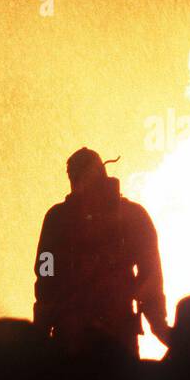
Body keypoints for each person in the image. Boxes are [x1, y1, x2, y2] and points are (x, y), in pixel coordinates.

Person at [33, 148, 169, 358]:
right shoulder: (57, 219)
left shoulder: (130, 217)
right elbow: (45, 272)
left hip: (100, 336)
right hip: (81, 337)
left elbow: (150, 276)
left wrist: (159, 324)